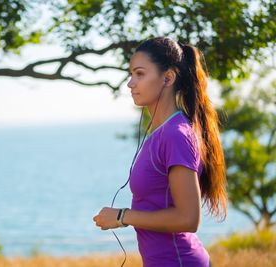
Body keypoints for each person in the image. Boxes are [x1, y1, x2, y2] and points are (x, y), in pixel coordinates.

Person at [92, 36, 228, 267]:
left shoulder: (176, 135)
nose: (130, 83)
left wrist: (121, 216)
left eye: (140, 74)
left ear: (168, 77)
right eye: (131, 74)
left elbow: (188, 219)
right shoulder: (159, 133)